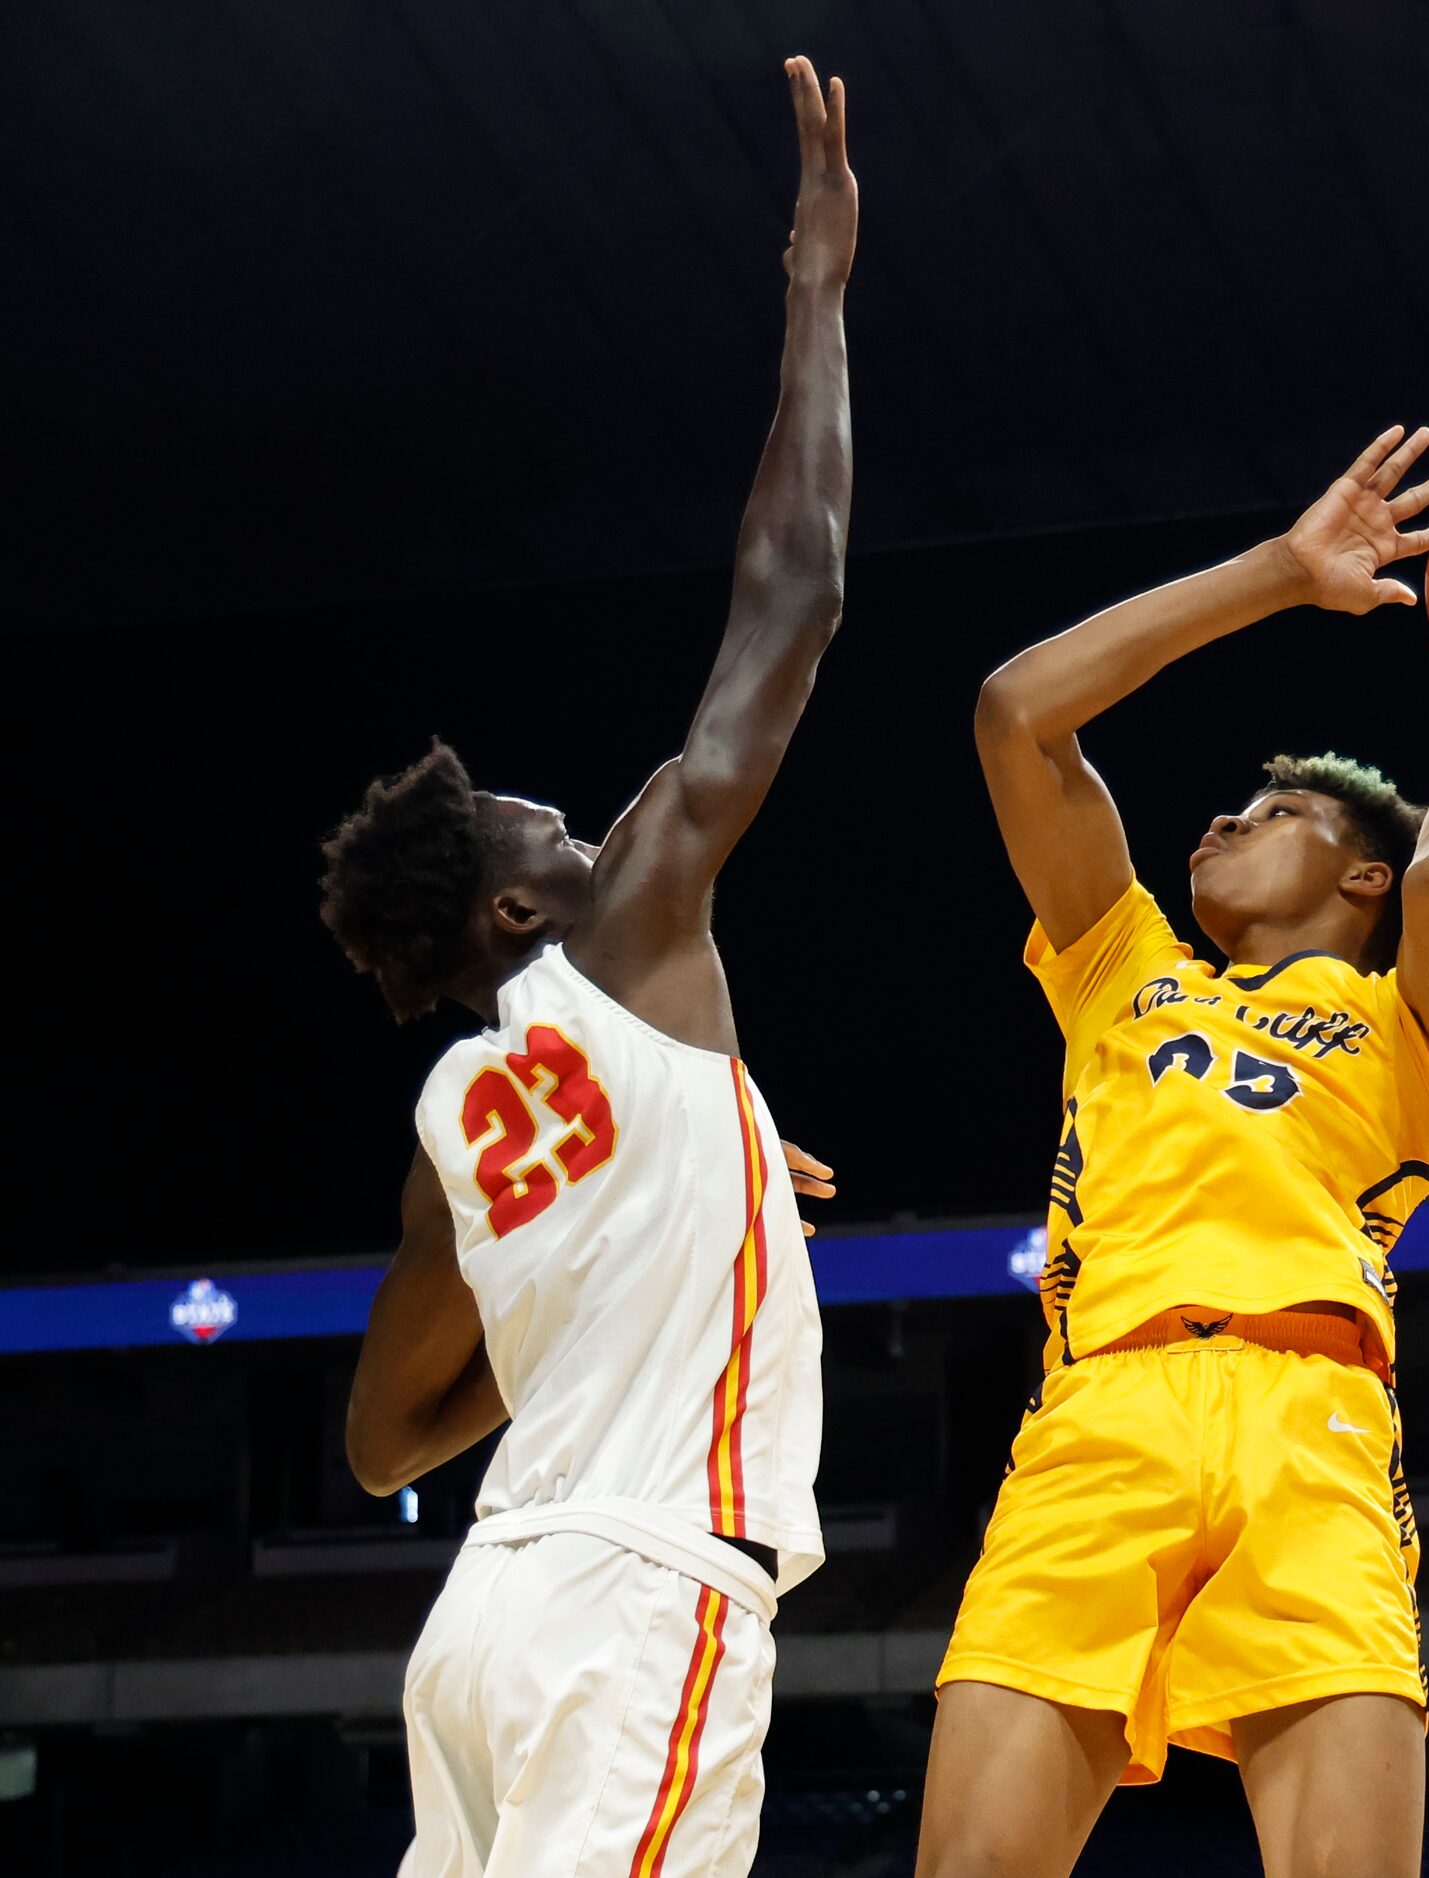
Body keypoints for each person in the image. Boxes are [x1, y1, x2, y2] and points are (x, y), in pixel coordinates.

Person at [919, 425, 1429, 1878]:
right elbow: (1017, 711)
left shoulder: (1407, 1019)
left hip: (1311, 1423)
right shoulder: (1118, 963)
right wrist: (1279, 571)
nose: (1220, 818)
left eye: (1273, 814)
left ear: (1356, 874)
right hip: (1099, 1415)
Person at [316, 57, 856, 1878]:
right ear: (518, 912)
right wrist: (817, 291)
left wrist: (675, 1202)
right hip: (637, 1602)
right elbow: (793, 592)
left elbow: (387, 1438)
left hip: (482, 1619)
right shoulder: (626, 945)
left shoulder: (451, 1124)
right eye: (550, 832)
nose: (588, 830)